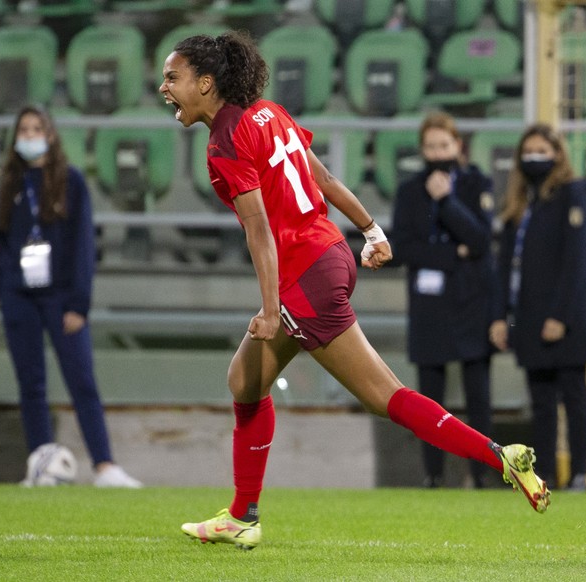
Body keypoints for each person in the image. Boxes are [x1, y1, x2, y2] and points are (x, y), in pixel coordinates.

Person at [159, 31, 550, 551]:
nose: (164, 88)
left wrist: (272, 309)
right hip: (331, 254)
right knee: (244, 382)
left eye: (173, 77)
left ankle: (500, 455)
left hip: (304, 275)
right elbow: (320, 177)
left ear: (205, 84)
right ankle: (242, 513)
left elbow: (258, 231)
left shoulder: (224, 141)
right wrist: (371, 229)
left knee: (385, 396)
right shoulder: (268, 113)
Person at [0, 105, 141, 488]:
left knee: (82, 381)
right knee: (31, 385)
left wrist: (79, 303)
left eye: (36, 128)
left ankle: (105, 467)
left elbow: (82, 247)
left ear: (51, 134)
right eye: (22, 129)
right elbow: (0, 244)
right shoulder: (9, 183)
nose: (29, 135)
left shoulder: (70, 181)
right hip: (19, 299)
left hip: (62, 298)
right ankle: (42, 466)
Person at [489, 123, 586, 493]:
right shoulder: (519, 202)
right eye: (529, 152)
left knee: (574, 395)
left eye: (543, 151)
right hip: (529, 318)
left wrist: (560, 317)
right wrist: (499, 316)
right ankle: (545, 474)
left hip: (565, 317)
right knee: (541, 403)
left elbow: (576, 262)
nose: (535, 158)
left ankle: (580, 473)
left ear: (557, 154)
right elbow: (505, 266)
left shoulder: (573, 194)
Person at [391, 112, 495, 489]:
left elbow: (482, 241)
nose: (438, 153)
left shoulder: (475, 183)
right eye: (431, 147)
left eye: (444, 145)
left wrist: (447, 201)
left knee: (478, 396)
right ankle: (432, 474)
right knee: (429, 399)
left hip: (470, 302)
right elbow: (404, 248)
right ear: (422, 150)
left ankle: (482, 473)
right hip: (428, 307)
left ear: (458, 146)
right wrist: (455, 255)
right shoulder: (408, 191)